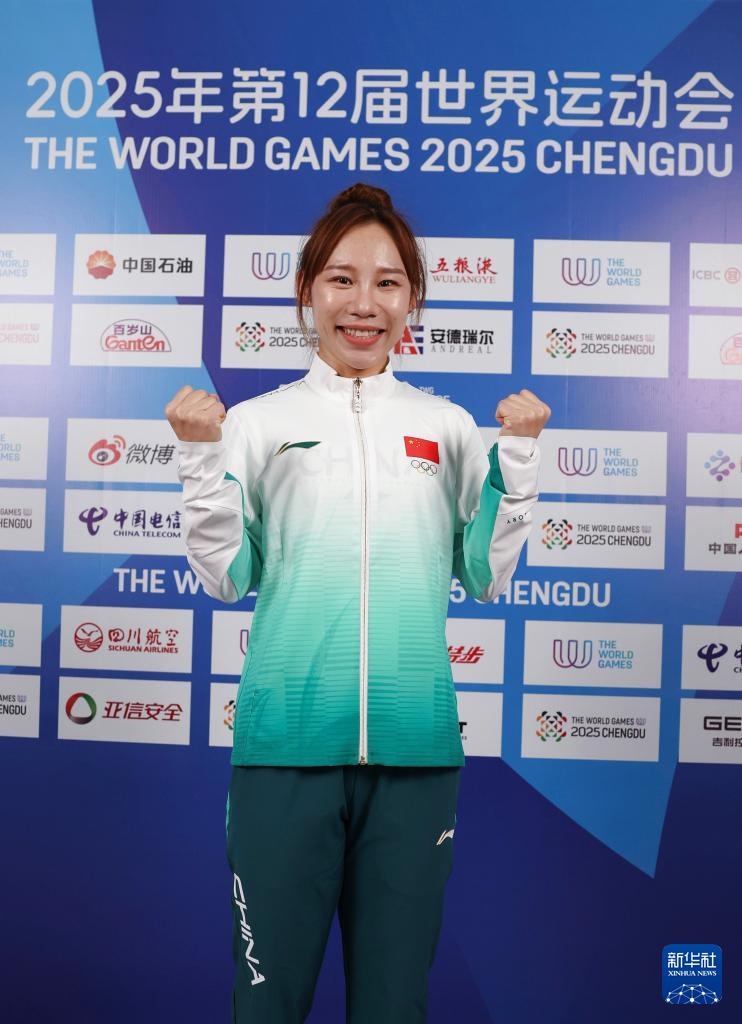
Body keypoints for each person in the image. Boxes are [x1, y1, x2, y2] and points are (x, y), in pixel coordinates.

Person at [165, 182, 550, 1023]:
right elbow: (226, 574)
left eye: (387, 282)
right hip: (283, 752)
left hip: (416, 756)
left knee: (392, 1006)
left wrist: (518, 461)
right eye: (341, 279)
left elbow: (485, 575)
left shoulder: (447, 426)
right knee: (267, 1006)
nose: (364, 303)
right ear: (308, 291)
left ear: (413, 299)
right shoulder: (257, 423)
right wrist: (200, 459)